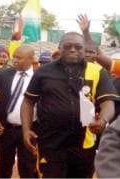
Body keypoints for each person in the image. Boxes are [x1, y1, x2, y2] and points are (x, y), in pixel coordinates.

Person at [21, 32, 118, 178]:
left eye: (78, 47)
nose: (73, 49)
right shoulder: (43, 72)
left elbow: (108, 103)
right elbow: (28, 102)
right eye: (68, 46)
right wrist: (26, 129)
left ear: (84, 49)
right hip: (51, 143)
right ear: (59, 48)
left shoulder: (97, 71)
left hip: (84, 144)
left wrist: (103, 121)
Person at [0, 45, 37, 178]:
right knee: (3, 167)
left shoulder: (40, 77)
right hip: (5, 130)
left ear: (31, 59)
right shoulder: (4, 73)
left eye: (19, 58)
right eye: (14, 56)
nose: (14, 60)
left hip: (30, 132)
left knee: (28, 169)